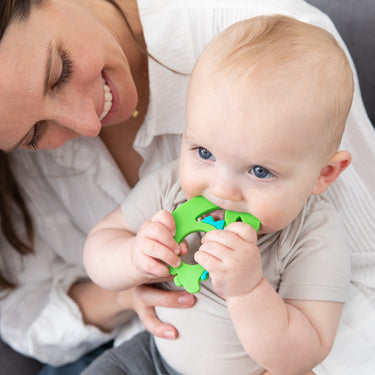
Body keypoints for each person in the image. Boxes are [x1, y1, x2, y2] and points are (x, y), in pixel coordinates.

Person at [0, 1, 374, 375]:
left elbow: (305, 352)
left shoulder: (311, 235)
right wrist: (133, 257)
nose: (222, 189)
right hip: (149, 354)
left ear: (325, 174)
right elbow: (99, 248)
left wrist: (248, 292)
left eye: (260, 171)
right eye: (205, 152)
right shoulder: (172, 186)